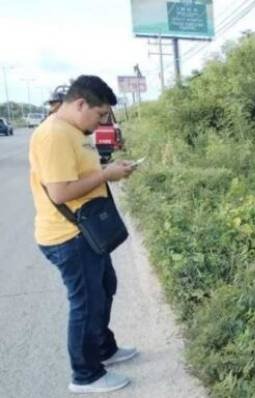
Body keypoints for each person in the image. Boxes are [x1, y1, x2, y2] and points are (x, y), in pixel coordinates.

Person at [28, 75, 137, 394]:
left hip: (86, 233)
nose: (102, 121)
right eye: (100, 114)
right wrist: (105, 173)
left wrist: (110, 169)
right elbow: (60, 192)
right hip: (68, 237)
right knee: (87, 303)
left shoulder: (74, 131)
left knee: (105, 287)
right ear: (80, 104)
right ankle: (85, 375)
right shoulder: (54, 135)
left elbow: (84, 173)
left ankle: (104, 349)